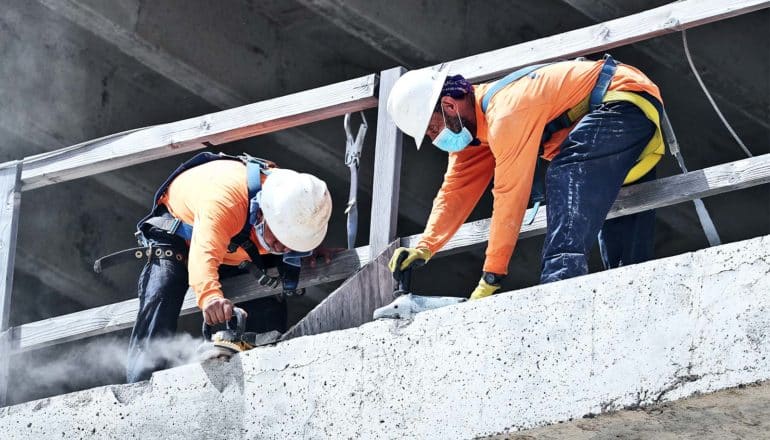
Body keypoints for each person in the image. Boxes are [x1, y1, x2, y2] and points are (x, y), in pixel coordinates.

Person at [385, 56, 664, 300]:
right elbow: (454, 192)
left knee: (566, 172)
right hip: (610, 133)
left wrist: (491, 276)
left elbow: (510, 195)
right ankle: (635, 292)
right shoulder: (477, 135)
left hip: (622, 101)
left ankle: (560, 279)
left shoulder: (504, 113)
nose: (436, 140)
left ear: (449, 106)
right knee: (622, 243)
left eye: (433, 129)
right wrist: (426, 246)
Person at [123, 152, 333, 382]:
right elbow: (203, 254)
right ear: (264, 211)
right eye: (281, 238)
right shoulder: (226, 201)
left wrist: (308, 247)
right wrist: (211, 298)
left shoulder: (296, 198)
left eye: (291, 241)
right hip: (183, 232)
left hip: (236, 242)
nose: (284, 246)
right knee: (164, 286)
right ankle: (141, 381)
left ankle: (265, 376)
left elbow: (299, 220)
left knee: (267, 304)